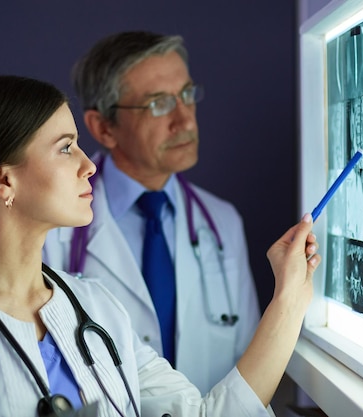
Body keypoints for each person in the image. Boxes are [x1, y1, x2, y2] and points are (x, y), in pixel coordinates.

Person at [0, 74, 321, 417]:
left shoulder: (98, 308)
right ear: (3, 180)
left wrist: (288, 297)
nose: (88, 166)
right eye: (65, 149)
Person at [42, 30, 260, 394]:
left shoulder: (223, 223)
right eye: (159, 104)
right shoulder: (52, 228)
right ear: (103, 127)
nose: (185, 121)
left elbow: (249, 367)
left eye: (187, 95)